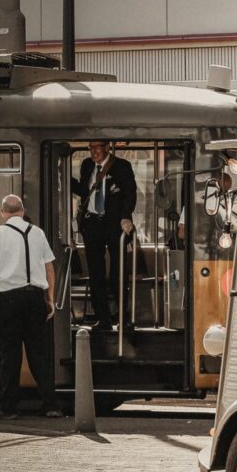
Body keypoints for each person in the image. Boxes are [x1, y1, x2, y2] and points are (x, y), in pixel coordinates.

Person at [0, 195, 62, 420]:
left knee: (9, 355)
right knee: (39, 355)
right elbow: (50, 269)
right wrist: (50, 298)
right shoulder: (38, 233)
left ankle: (6, 407)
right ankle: (51, 405)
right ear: (22, 211)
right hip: (35, 298)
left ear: (3, 213)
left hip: (9, 300)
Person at [72, 141, 136, 331]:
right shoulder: (86, 165)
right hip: (92, 224)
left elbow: (130, 194)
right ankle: (103, 319)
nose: (94, 151)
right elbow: (84, 190)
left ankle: (123, 318)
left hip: (114, 224)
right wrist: (62, 176)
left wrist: (125, 217)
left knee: (118, 272)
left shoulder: (122, 166)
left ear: (107, 147)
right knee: (95, 273)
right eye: (90, 147)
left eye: (97, 147)